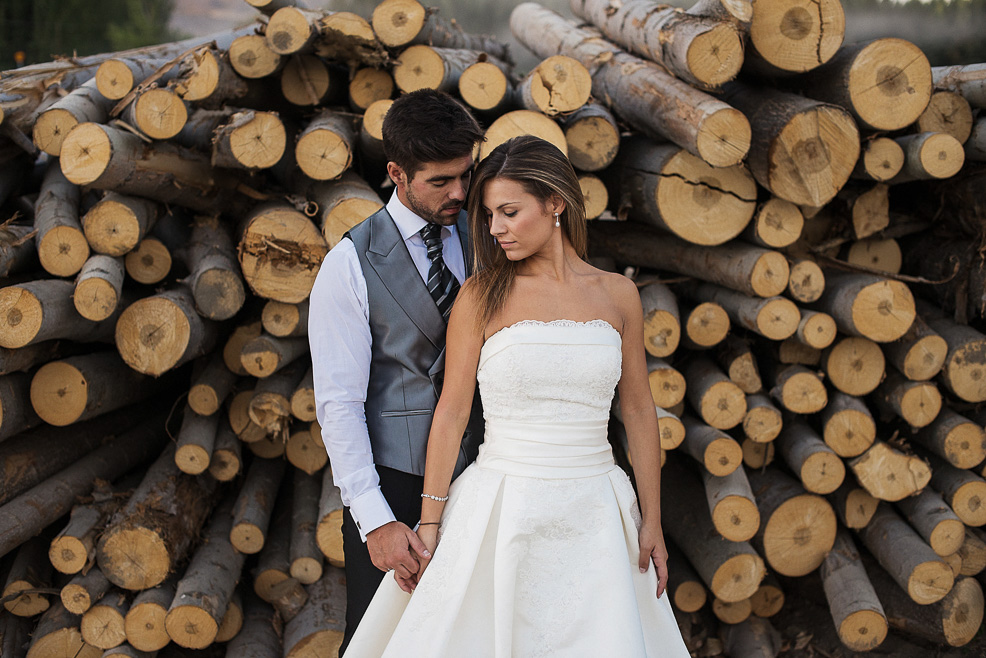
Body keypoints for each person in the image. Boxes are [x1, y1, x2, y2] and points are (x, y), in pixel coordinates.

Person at [343, 135, 690, 657]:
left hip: (598, 511)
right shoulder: (481, 294)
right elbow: (452, 411)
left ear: (555, 202)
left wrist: (652, 521)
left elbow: (638, 410)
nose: (495, 228)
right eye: (487, 215)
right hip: (501, 509)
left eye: (509, 211)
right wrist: (431, 521)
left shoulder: (618, 294)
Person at [308, 89, 487, 652]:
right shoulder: (348, 265)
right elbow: (337, 404)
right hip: (398, 485)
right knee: (383, 643)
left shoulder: (489, 235)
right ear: (396, 173)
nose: (460, 193)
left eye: (466, 175)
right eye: (441, 181)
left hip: (488, 475)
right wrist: (374, 520)